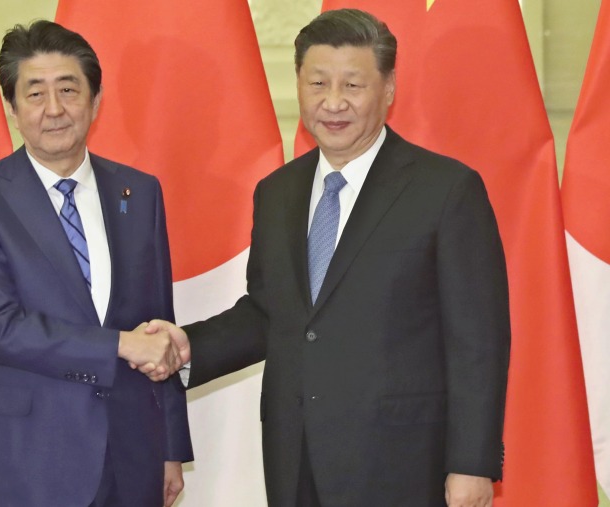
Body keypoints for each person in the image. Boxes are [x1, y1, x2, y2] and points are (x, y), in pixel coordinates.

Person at [146, 8, 509, 507]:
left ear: (388, 88)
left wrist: (471, 464)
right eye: (317, 83)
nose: (333, 102)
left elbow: (479, 340)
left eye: (353, 85)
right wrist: (188, 346)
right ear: (298, 84)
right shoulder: (277, 192)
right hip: (295, 456)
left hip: (402, 463)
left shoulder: (445, 190)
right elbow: (272, 313)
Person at [0, 20, 192, 507]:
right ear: (12, 108)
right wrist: (119, 345)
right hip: (32, 459)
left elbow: (160, 322)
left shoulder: (138, 192)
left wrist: (170, 448)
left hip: (133, 453)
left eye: (68, 90)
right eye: (35, 94)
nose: (54, 110)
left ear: (95, 101)